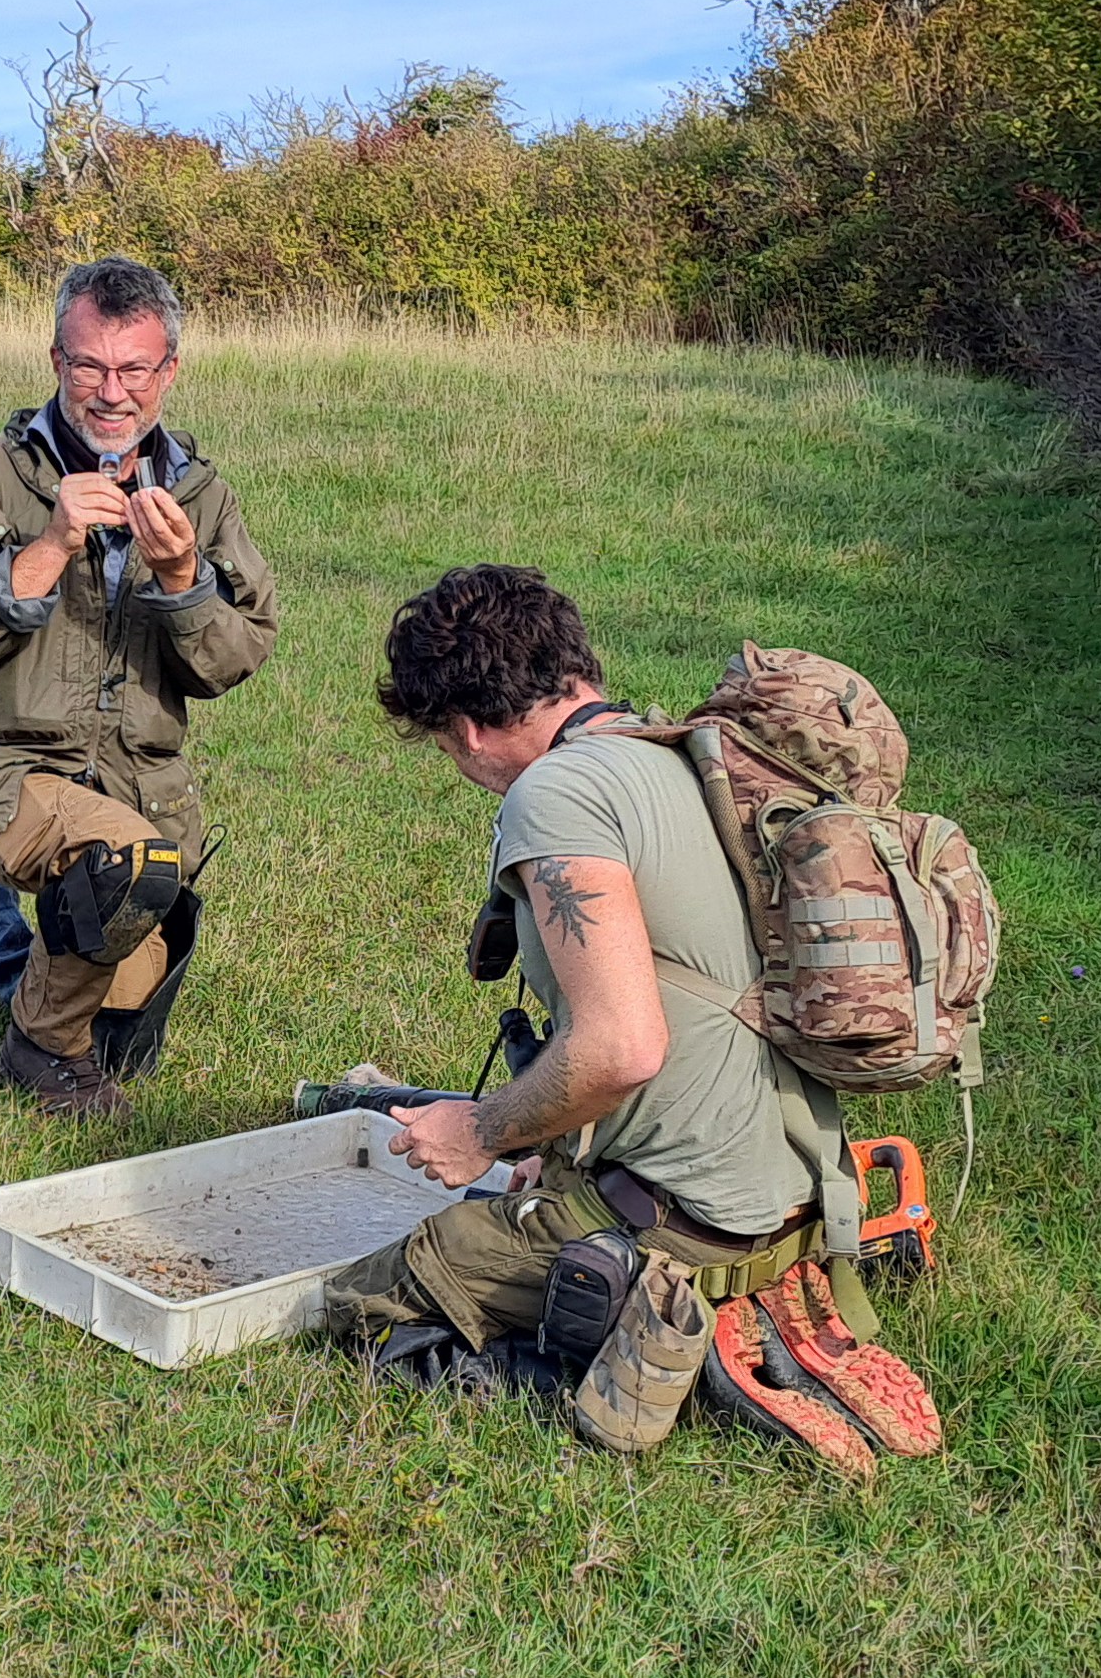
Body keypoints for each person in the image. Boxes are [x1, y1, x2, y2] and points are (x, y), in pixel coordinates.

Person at [324, 565, 927, 1462]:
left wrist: (480, 1130)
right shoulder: (688, 755)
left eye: (447, 749)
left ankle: (638, 1338)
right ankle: (734, 1290)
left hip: (693, 1222)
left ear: (472, 727)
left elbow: (621, 1046)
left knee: (368, 1304)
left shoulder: (558, 794)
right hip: (803, 1190)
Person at [0, 257, 277, 1117]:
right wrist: (47, 547)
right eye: (89, 366)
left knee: (123, 1039)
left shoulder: (202, 495)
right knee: (127, 870)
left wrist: (183, 577)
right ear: (55, 361)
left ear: (168, 372)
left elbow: (231, 660)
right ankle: (36, 1053)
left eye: (134, 369)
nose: (112, 393)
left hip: (136, 790)